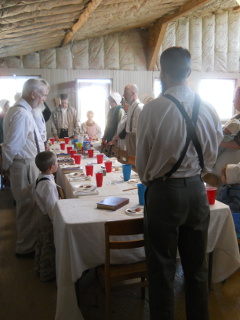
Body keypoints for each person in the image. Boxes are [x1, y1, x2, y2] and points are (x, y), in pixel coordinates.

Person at [136, 47, 223, 320]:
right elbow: (211, 157)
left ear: (162, 73)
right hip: (197, 192)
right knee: (197, 269)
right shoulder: (208, 108)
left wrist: (153, 177)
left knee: (161, 270)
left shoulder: (152, 109)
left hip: (164, 193)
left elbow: (142, 164)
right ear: (189, 72)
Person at [2, 78, 48, 257]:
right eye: (43, 95)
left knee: (29, 205)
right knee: (27, 207)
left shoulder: (24, 111)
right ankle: (25, 248)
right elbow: (12, 146)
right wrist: (6, 167)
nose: (44, 99)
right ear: (33, 94)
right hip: (24, 165)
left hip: (27, 164)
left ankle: (28, 244)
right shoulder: (21, 113)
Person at [204, 86, 240, 190]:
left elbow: (237, 144)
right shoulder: (236, 117)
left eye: (235, 97)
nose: (233, 101)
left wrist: (216, 140)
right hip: (220, 168)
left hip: (231, 166)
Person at [34, 151, 59, 282]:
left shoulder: (42, 176)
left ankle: (38, 267)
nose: (57, 164)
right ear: (51, 167)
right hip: (46, 219)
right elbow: (52, 208)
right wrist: (57, 223)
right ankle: (47, 273)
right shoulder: (48, 185)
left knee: (41, 242)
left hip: (40, 215)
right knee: (49, 245)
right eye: (56, 162)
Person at [123, 83, 143, 156]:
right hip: (130, 138)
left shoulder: (140, 108)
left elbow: (142, 129)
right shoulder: (131, 107)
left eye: (125, 92)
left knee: (135, 162)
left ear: (133, 93)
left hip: (135, 139)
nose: (123, 95)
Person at [32, 79, 50, 145]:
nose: (44, 99)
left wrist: (44, 143)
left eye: (46, 95)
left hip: (41, 144)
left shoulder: (39, 108)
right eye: (43, 95)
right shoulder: (30, 110)